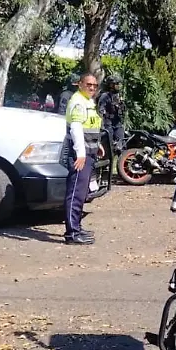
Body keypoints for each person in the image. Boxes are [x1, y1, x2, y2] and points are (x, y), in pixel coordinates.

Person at [63, 73, 102, 245]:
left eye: (95, 85)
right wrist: (80, 153)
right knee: (76, 193)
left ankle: (77, 227)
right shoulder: (78, 101)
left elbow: (90, 127)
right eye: (89, 84)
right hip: (81, 155)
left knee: (82, 192)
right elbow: (76, 129)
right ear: (80, 84)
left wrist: (97, 145)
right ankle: (72, 233)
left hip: (89, 151)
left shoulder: (87, 101)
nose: (92, 88)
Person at [97, 74, 126, 155]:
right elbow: (101, 111)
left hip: (117, 122)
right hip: (108, 123)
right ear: (111, 85)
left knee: (121, 142)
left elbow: (123, 110)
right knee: (109, 144)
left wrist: (121, 105)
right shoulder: (105, 96)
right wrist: (102, 125)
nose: (118, 86)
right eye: (117, 84)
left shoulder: (119, 96)